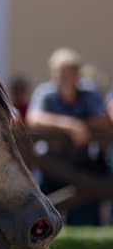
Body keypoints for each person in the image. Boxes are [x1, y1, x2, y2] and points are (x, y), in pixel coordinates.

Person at [26, 47, 112, 225]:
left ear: (77, 73)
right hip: (50, 164)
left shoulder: (89, 93)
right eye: (59, 72)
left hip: (81, 167)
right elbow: (34, 118)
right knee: (42, 212)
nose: (63, 77)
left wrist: (83, 128)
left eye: (68, 72)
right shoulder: (46, 93)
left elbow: (102, 119)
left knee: (86, 212)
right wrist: (70, 126)